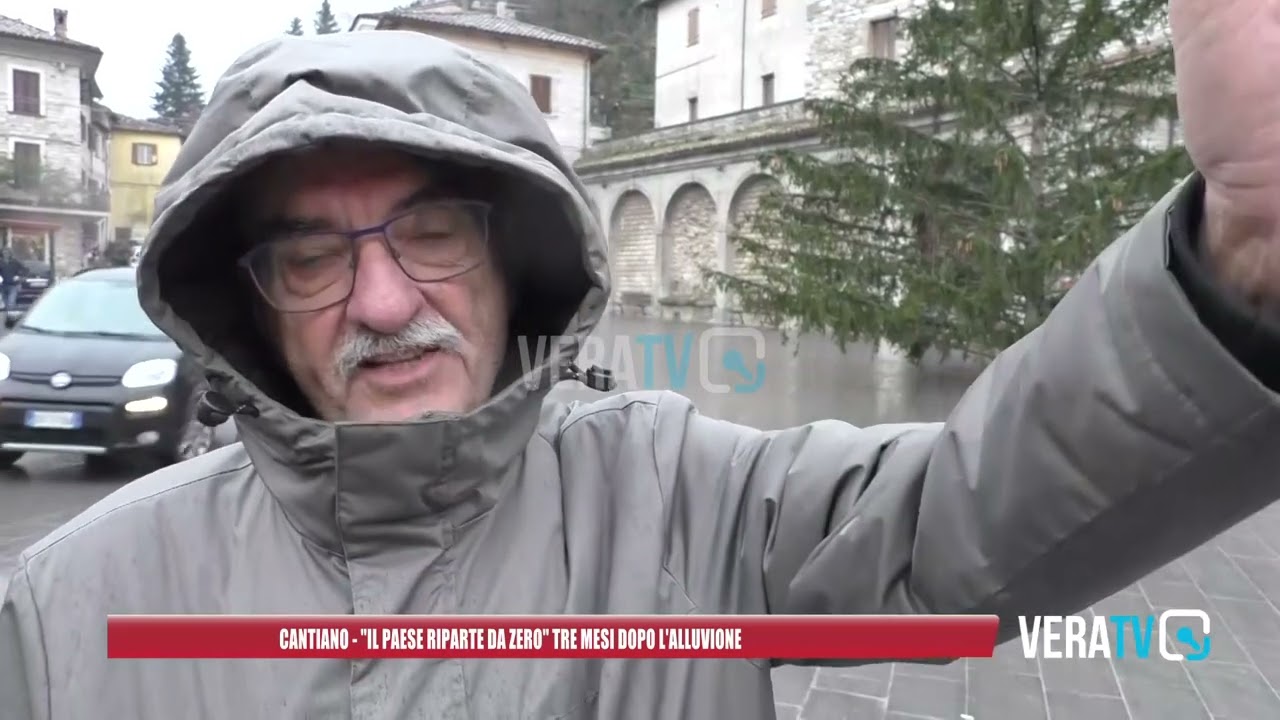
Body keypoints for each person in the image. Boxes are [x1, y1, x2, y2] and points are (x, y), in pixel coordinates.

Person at [2, 4, 1278, 717]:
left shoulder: (687, 501)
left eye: (432, 233)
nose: (385, 301)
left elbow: (965, 517)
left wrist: (1242, 258)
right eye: (313, 259)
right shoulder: (69, 608)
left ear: (515, 258)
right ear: (251, 305)